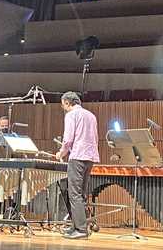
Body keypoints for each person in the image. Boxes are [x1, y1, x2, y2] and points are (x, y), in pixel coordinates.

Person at [55, 91, 99, 240]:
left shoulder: (71, 115)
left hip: (78, 157)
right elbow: (95, 138)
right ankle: (76, 226)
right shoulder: (91, 115)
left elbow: (68, 139)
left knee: (74, 194)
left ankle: (80, 230)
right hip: (90, 157)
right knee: (80, 194)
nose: (64, 108)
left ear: (67, 102)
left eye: (63, 105)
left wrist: (61, 153)